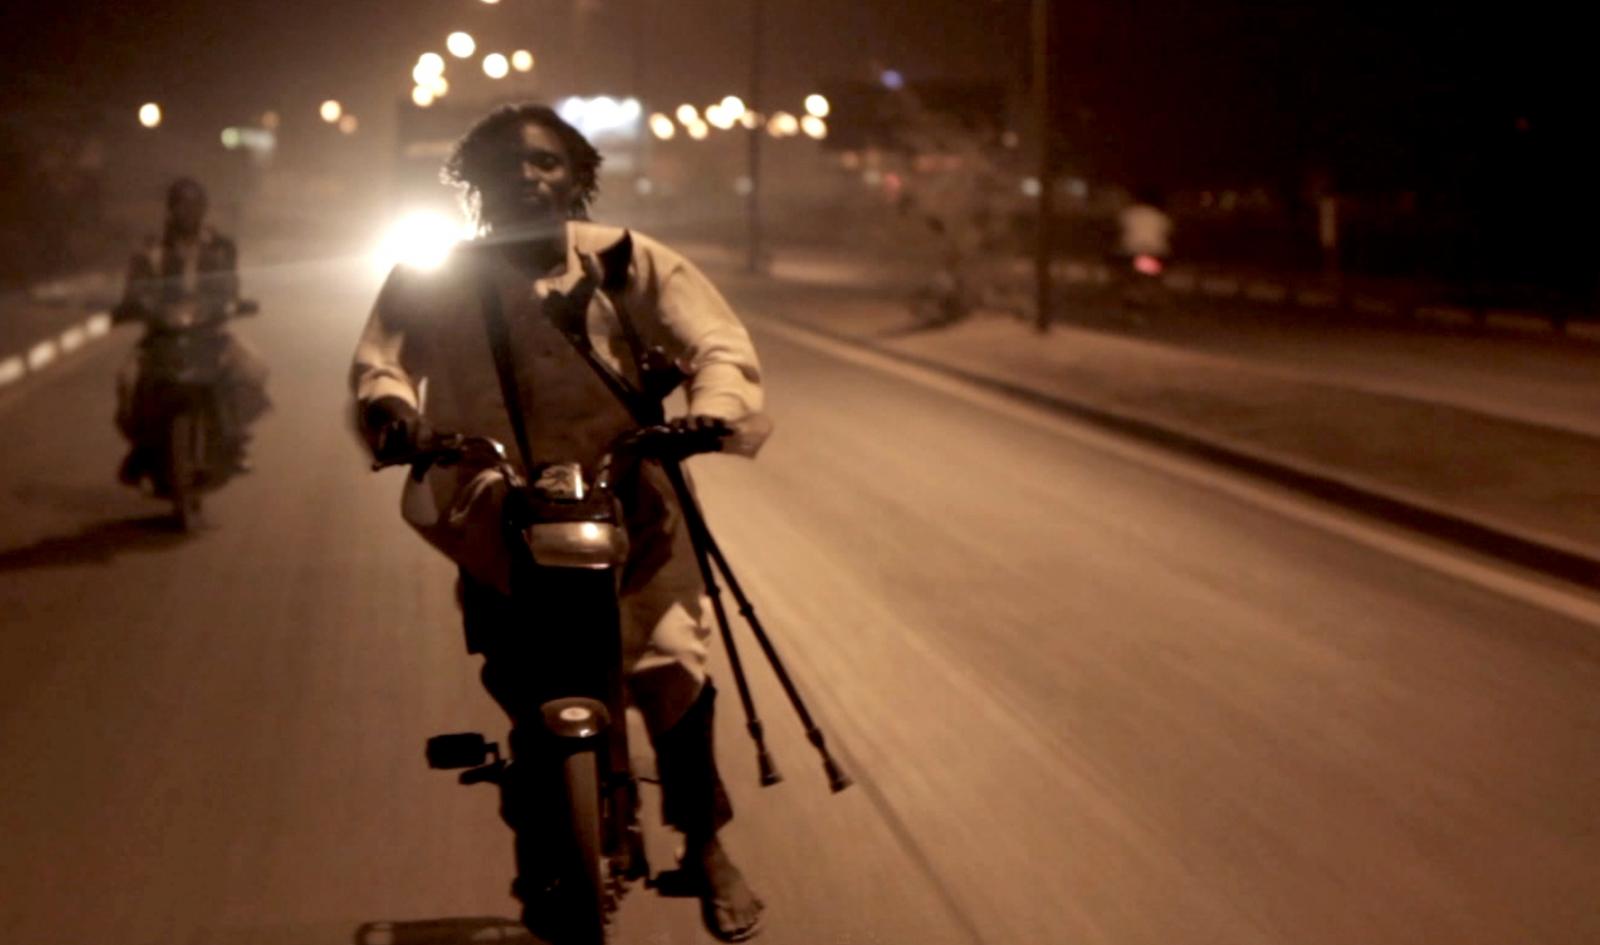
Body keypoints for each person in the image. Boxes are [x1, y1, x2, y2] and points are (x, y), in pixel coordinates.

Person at [348, 103, 769, 941]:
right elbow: (380, 360)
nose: (529, 177)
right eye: (509, 164)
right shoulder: (435, 272)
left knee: (674, 666)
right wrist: (392, 410)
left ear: (576, 175)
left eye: (546, 163)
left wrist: (708, 414)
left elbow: (719, 346)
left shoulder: (627, 261)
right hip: (497, 511)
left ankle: (707, 842)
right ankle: (544, 836)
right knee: (520, 681)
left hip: (632, 502)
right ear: (476, 182)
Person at [113, 177, 269, 482]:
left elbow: (231, 286)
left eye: (195, 205)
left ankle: (236, 440)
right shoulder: (151, 249)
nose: (189, 212)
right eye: (182, 206)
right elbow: (135, 287)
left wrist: (234, 304)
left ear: (204, 209)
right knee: (127, 380)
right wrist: (132, 306)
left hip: (211, 334)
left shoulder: (220, 248)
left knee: (254, 370)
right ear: (171, 210)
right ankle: (140, 447)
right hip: (161, 337)